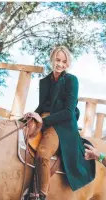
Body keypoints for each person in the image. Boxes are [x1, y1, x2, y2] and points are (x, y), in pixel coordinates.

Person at [24, 46, 95, 200]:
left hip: (61, 125)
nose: (60, 64)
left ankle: (41, 195)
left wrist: (43, 120)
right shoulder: (45, 81)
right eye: (57, 60)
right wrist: (30, 115)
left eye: (64, 61)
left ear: (68, 64)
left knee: (43, 154)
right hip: (42, 119)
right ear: (52, 59)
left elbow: (69, 112)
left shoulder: (71, 80)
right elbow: (43, 106)